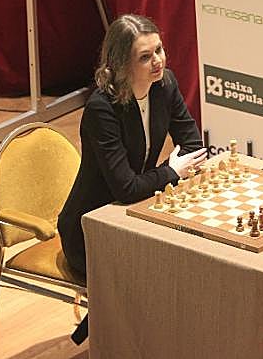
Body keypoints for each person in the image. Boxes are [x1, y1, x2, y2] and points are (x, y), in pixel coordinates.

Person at [58, 14, 206, 278]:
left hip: (138, 210)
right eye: (145, 57)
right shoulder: (102, 109)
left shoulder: (165, 84)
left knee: (190, 262)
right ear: (122, 64)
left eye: (159, 50)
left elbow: (193, 146)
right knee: (165, 273)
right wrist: (171, 171)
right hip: (93, 227)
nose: (158, 61)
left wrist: (158, 177)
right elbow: (126, 188)